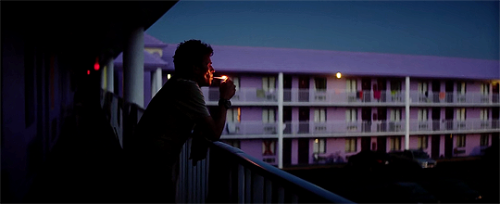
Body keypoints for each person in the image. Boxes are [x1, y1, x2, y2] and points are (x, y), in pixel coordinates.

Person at [128, 39, 235, 203]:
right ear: (195, 68)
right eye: (208, 64)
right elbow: (214, 133)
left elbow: (189, 118)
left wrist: (200, 132)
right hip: (152, 170)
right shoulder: (188, 87)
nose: (213, 69)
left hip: (144, 163)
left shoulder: (178, 85)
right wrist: (225, 99)